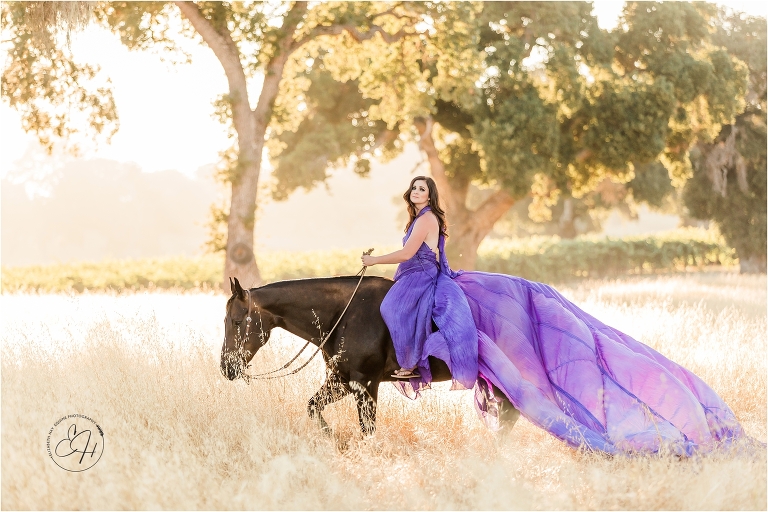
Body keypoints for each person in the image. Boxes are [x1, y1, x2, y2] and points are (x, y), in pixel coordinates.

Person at [362, 176, 745, 456]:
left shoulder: (427, 219)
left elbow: (409, 254)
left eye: (423, 189)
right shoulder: (417, 218)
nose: (417, 192)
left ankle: (408, 364)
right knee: (395, 307)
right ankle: (407, 362)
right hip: (416, 277)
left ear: (430, 195)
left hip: (425, 278)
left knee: (395, 309)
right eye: (414, 188)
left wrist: (373, 259)